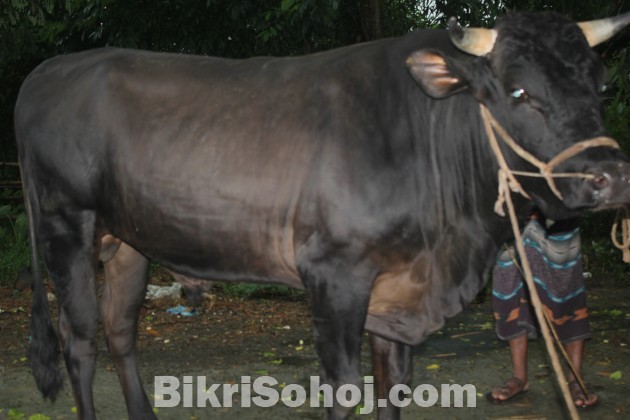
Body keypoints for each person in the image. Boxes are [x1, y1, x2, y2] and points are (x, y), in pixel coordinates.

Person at [487, 211, 599, 409]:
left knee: (565, 289)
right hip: (509, 212)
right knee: (509, 288)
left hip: (557, 207)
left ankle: (575, 379)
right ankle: (519, 378)